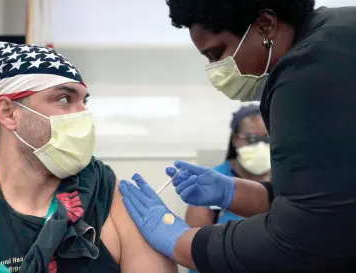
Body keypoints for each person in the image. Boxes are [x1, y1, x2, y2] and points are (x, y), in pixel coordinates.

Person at [119, 1, 356, 272]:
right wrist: (233, 192)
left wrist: (179, 241)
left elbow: (303, 239)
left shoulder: (308, 72)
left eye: (217, 53)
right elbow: (326, 194)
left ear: (265, 26)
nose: (215, 71)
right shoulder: (339, 34)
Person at [0, 42, 178, 273]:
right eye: (64, 99)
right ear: (8, 113)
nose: (83, 113)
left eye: (84, 101)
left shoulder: (112, 201)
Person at [185, 103, 271, 229]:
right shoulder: (211, 181)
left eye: (268, 139)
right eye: (252, 139)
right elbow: (193, 237)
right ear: (235, 139)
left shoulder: (289, 179)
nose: (261, 146)